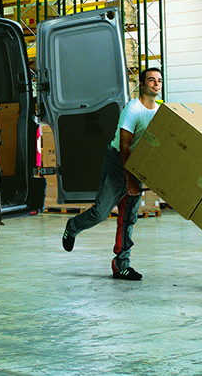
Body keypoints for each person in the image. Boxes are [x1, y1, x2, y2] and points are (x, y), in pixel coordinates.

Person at [62, 67, 163, 281]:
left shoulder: (160, 111)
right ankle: (72, 227)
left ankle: (121, 264)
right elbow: (125, 146)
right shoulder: (132, 110)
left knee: (129, 218)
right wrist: (129, 179)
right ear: (142, 86)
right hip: (118, 162)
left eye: (159, 80)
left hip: (138, 166)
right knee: (101, 212)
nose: (156, 84)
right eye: (151, 80)